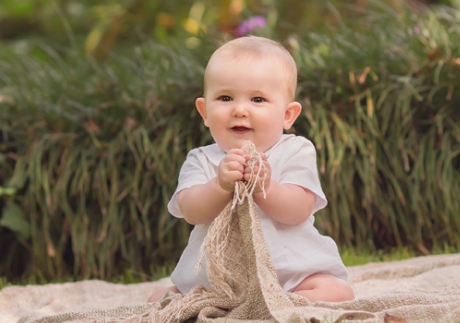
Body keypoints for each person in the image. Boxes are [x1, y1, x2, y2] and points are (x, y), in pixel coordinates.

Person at [148, 36, 355, 304]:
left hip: (289, 274)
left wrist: (266, 187)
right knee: (159, 300)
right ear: (204, 111)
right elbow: (191, 211)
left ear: (287, 115)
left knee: (336, 291)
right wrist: (219, 186)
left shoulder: (295, 151)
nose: (240, 109)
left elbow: (299, 209)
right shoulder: (201, 159)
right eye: (225, 97)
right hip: (216, 278)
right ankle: (235, 305)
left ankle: (281, 302)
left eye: (257, 99)